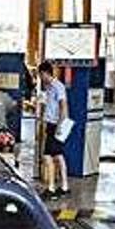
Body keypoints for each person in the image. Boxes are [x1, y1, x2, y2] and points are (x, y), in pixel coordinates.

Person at [38, 61, 70, 199]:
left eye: (40, 75)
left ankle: (51, 188)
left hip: (56, 124)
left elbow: (64, 106)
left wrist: (60, 125)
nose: (40, 77)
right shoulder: (49, 87)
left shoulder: (58, 86)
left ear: (45, 73)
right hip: (51, 124)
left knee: (47, 156)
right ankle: (64, 186)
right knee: (58, 156)